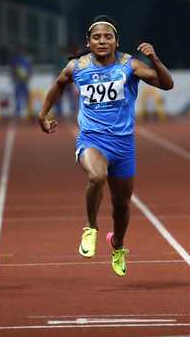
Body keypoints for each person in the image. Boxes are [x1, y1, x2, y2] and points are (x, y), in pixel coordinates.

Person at [38, 15, 174, 276]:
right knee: (96, 176)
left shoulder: (129, 66)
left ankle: (118, 245)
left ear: (116, 42)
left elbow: (167, 84)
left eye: (107, 37)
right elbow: (58, 85)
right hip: (92, 139)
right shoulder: (76, 67)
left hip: (123, 145)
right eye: (97, 37)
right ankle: (90, 228)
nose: (102, 41)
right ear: (88, 42)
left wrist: (154, 59)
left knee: (121, 205)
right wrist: (42, 114)